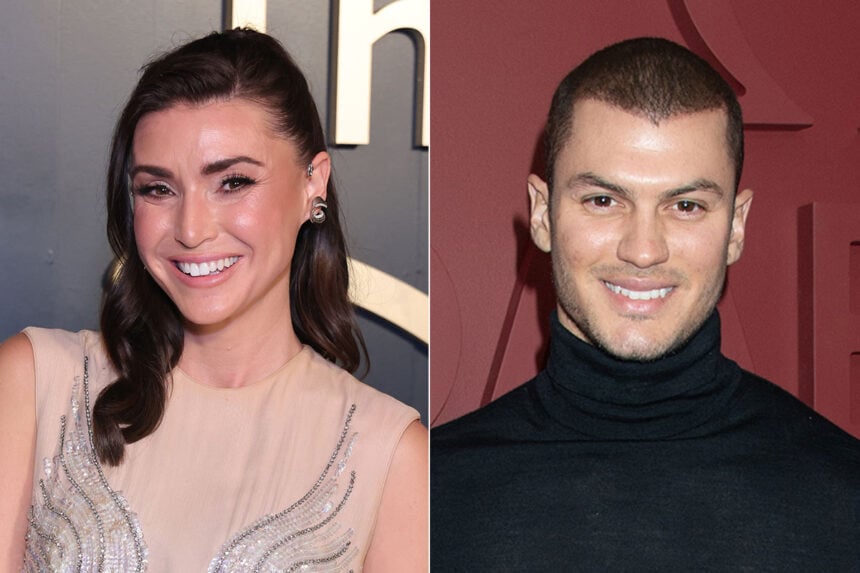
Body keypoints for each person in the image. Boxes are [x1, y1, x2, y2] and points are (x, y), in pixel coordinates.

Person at [0, 28, 427, 571]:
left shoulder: (388, 457)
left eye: (233, 182)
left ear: (312, 183)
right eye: (158, 189)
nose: (191, 229)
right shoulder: (36, 384)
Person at [431, 37, 860, 570]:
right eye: (603, 200)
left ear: (736, 227)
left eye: (686, 206)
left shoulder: (845, 498)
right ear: (542, 213)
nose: (643, 250)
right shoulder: (429, 498)